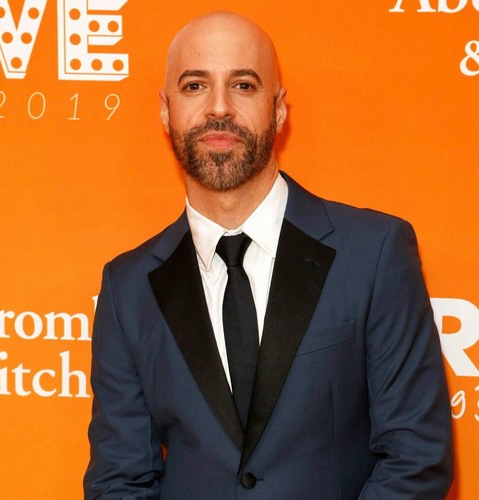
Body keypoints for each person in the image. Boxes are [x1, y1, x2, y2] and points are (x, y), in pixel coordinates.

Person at [84, 11, 453, 499]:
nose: (219, 108)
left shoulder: (375, 254)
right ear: (166, 109)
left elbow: (417, 458)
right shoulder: (127, 288)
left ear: (278, 109)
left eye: (243, 85)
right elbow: (119, 481)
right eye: (194, 86)